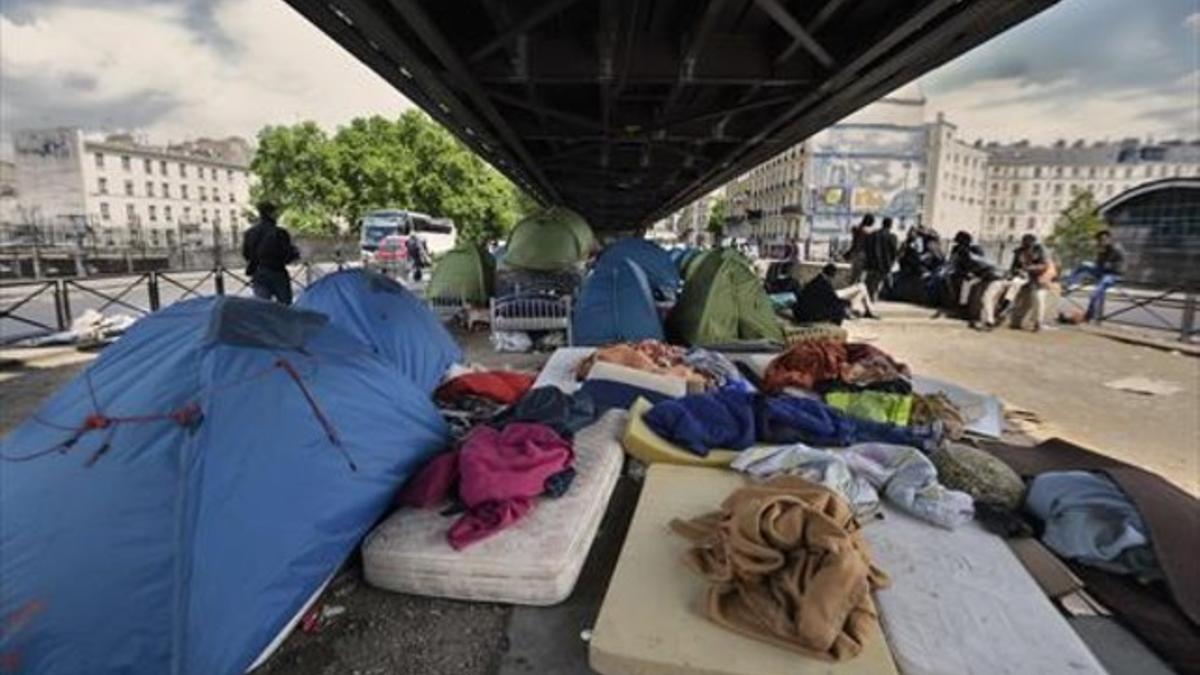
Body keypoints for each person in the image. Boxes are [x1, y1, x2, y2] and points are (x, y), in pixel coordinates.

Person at [241, 201, 299, 305]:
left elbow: (246, 254)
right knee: (285, 306)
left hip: (258, 273)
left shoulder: (249, 233)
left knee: (263, 307)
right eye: (275, 212)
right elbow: (287, 255)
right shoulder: (280, 232)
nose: (277, 215)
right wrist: (295, 253)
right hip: (277, 272)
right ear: (270, 213)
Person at [1061, 230, 1126, 321]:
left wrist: (1104, 260)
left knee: (1095, 294)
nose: (1101, 241)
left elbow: (1111, 265)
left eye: (1103, 239)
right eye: (1099, 240)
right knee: (1084, 264)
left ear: (1109, 239)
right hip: (1103, 271)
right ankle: (1068, 284)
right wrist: (1100, 254)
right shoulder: (1103, 249)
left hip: (1113, 275)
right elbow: (1099, 264)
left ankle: (1089, 316)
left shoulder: (1115, 248)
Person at [995, 233, 1055, 331]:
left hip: (1038, 279)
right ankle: (1009, 314)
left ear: (1033, 243)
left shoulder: (1041, 251)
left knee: (1038, 300)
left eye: (1028, 243)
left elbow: (1044, 266)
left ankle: (1038, 322)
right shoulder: (1018, 252)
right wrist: (1015, 272)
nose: (1025, 245)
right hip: (1022, 278)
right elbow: (1013, 267)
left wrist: (1029, 268)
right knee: (1017, 295)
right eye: (1024, 243)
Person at [793, 263, 877, 325]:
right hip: (809, 314)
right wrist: (847, 303)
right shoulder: (823, 284)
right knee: (859, 291)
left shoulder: (818, 280)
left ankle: (862, 310)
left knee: (861, 288)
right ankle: (860, 311)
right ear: (832, 275)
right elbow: (832, 300)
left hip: (804, 312)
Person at [863, 216, 899, 302]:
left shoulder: (873, 235)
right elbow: (894, 252)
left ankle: (870, 297)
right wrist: (891, 263)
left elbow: (867, 248)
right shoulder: (892, 237)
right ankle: (873, 298)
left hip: (872, 263)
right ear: (890, 225)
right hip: (885, 264)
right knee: (879, 282)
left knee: (871, 282)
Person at [843, 214, 874, 284]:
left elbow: (855, 243)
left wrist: (849, 252)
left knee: (855, 276)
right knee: (858, 277)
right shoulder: (865, 231)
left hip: (857, 254)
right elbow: (858, 244)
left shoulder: (859, 229)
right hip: (862, 255)